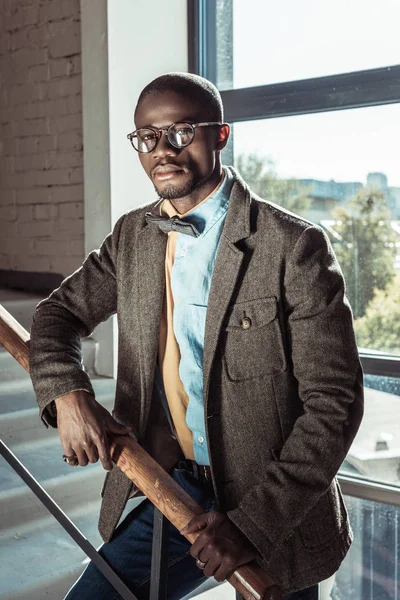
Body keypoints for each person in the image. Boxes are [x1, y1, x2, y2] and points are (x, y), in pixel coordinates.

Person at [30, 72, 364, 600]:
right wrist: (67, 392)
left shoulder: (294, 245)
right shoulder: (131, 237)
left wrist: (254, 522)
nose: (162, 150)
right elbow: (56, 316)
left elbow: (335, 403)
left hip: (277, 503)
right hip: (175, 487)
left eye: (181, 132)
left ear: (221, 136)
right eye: (147, 137)